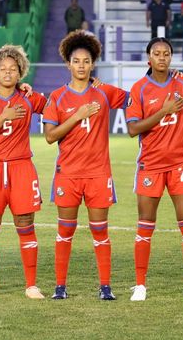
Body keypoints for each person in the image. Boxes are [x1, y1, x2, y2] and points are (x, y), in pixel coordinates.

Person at [125, 37, 183, 302]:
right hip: (150, 165)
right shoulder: (139, 89)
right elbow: (133, 129)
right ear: (149, 58)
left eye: (166, 53)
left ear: (171, 57)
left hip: (181, 163)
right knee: (145, 225)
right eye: (157, 53)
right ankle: (140, 285)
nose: (162, 57)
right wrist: (164, 111)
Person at [42, 32, 127, 300]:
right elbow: (50, 136)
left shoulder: (104, 92)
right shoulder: (57, 97)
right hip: (68, 174)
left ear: (93, 64)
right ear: (68, 64)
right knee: (65, 231)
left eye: (86, 61)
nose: (81, 65)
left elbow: (137, 98)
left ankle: (105, 287)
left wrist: (171, 77)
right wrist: (77, 116)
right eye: (76, 61)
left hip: (98, 174)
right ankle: (60, 287)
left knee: (100, 231)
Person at [0, 45, 48, 300]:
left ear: (20, 72)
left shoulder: (28, 98)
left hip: (21, 167)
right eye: (2, 68)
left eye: (13, 69)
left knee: (26, 225)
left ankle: (31, 285)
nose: (7, 73)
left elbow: (56, 106)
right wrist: (3, 117)